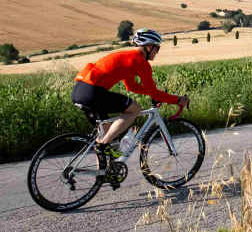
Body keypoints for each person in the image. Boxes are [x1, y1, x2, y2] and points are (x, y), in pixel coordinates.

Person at [71, 28, 189, 157]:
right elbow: (154, 92)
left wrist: (153, 93)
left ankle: (103, 174)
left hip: (80, 91)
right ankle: (102, 144)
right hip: (92, 92)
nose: (157, 52)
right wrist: (177, 100)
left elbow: (131, 86)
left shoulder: (127, 58)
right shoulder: (140, 62)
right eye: (157, 48)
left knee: (107, 137)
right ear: (149, 47)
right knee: (134, 109)